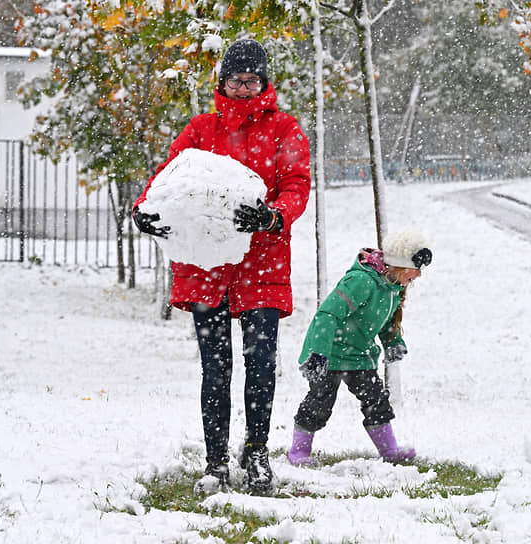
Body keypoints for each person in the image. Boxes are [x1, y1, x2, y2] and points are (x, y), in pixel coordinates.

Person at [132, 38, 311, 494]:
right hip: (207, 268)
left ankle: (256, 456)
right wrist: (144, 210)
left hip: (263, 265)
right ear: (223, 82)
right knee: (215, 368)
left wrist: (274, 217)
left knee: (261, 364)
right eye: (237, 80)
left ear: (264, 82)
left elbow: (296, 184)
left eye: (253, 81)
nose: (245, 88)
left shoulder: (285, 130)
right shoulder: (199, 131)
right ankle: (215, 462)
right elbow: (167, 181)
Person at [287, 230, 432, 466]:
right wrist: (318, 354)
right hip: (329, 353)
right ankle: (299, 452)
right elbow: (327, 315)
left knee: (376, 399)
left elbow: (385, 321)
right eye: (416, 269)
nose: (418, 275)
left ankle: (389, 451)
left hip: (358, 355)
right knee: (319, 402)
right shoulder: (362, 281)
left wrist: (393, 342)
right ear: (401, 265)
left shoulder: (392, 287)